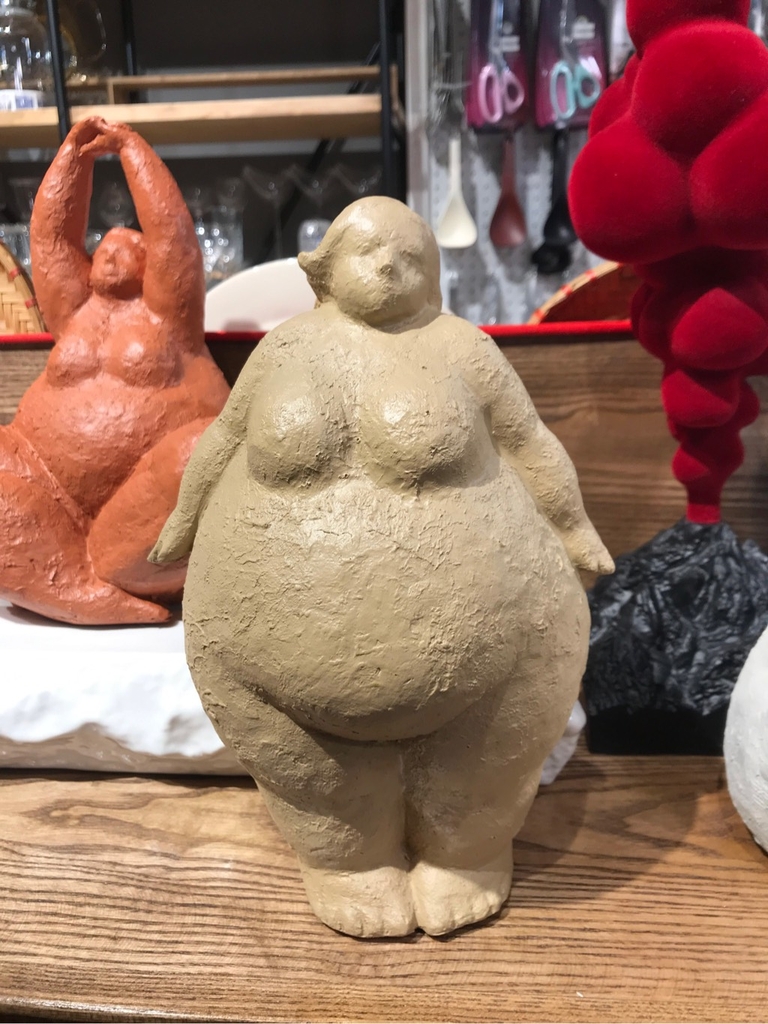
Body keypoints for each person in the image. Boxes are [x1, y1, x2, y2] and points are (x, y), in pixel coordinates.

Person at [153, 196, 613, 936]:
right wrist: (182, 520)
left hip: (492, 650)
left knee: (478, 789)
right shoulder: (284, 349)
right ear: (325, 269)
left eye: (411, 256)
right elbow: (224, 439)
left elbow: (529, 442)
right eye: (368, 252)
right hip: (269, 657)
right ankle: (345, 859)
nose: (390, 267)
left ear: (433, 276)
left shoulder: (462, 347)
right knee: (321, 798)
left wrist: (574, 525)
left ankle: (469, 852)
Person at [0, 117, 229, 624]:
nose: (109, 256)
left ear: (149, 268)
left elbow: (172, 238)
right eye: (103, 250)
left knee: (204, 453)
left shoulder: (169, 319)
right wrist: (72, 157)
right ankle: (69, 586)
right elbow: (52, 241)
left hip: (137, 523)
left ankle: (107, 580)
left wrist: (130, 149)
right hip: (48, 499)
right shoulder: (74, 314)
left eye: (126, 251)